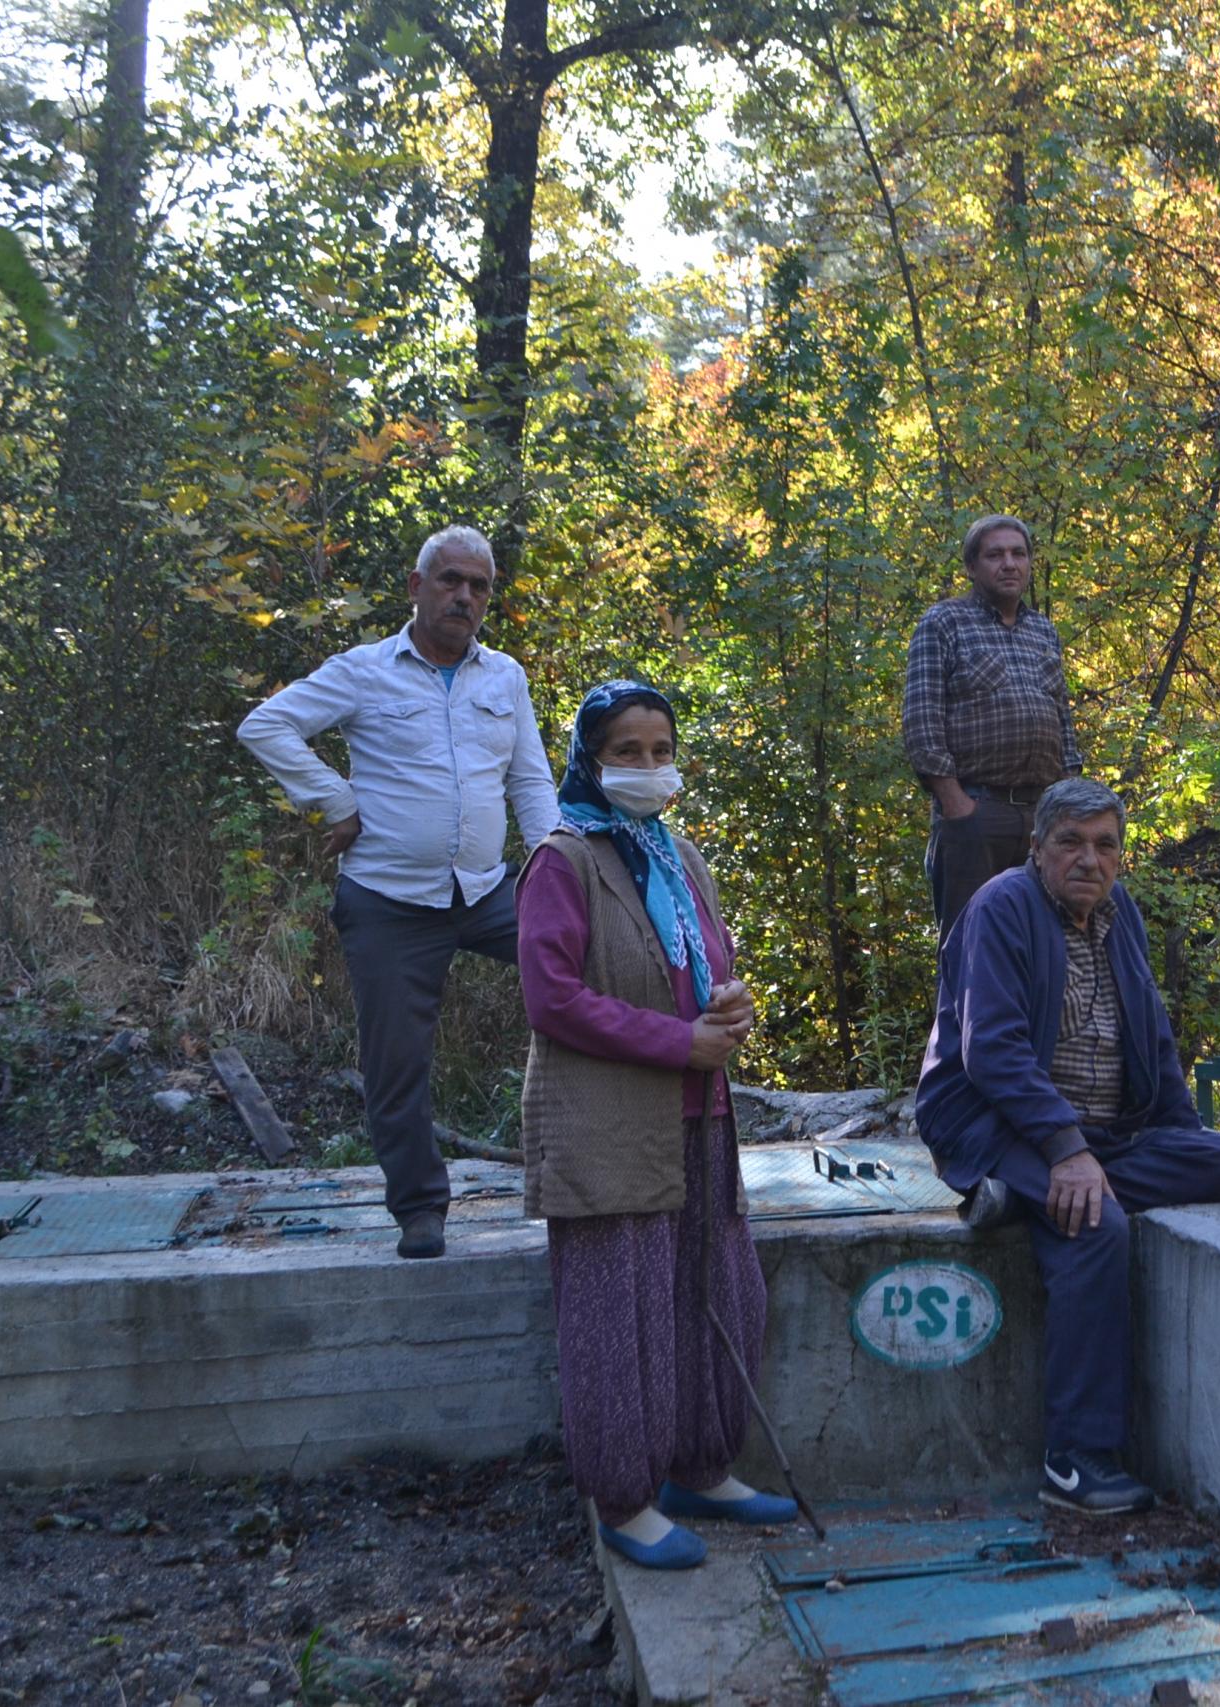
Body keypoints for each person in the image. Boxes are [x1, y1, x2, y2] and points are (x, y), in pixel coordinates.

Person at [514, 680, 796, 1571]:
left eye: (661, 750)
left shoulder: (675, 852)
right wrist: (682, 1040)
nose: (647, 766)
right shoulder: (564, 860)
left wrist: (733, 1007)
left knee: (717, 1290)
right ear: (589, 761)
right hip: (607, 1123)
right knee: (618, 1315)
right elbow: (551, 998)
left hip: (696, 1117)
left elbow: (707, 962)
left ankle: (700, 1465)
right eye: (626, 751)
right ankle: (625, 1498)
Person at [914, 778, 1220, 1515]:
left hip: (1103, 1136)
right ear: (1037, 849)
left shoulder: (1118, 913)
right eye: (1070, 841)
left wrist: (1177, 1128)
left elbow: (1154, 1036)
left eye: (1105, 844)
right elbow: (992, 1050)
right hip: (993, 1121)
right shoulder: (1001, 907)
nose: (1088, 859)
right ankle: (1077, 1458)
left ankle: (1022, 1196)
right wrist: (1064, 1148)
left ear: (1121, 858)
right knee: (1097, 1225)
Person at [237, 525, 559, 1259]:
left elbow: (529, 779)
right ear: (416, 588)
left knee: (593, 961)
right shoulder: (363, 671)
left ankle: (598, 1160)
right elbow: (267, 724)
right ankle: (420, 1208)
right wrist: (334, 797)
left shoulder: (503, 676)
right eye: (450, 580)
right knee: (396, 1059)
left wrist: (553, 869)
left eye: (478, 586)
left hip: (486, 891)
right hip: (388, 900)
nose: (464, 596)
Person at [901, 514, 1083, 929]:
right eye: (995, 554)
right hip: (976, 811)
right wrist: (958, 805)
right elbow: (921, 720)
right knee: (970, 942)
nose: (1009, 564)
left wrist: (1069, 802)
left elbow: (1063, 720)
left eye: (1019, 553)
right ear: (971, 567)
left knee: (1042, 939)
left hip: (1043, 815)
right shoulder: (943, 623)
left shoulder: (1043, 631)